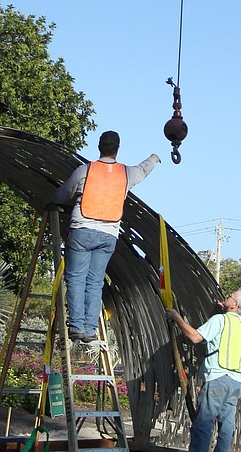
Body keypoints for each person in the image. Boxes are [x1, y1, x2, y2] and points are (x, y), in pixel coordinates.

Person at [50, 131, 160, 342]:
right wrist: (154, 158)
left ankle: (76, 326)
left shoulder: (85, 170)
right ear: (117, 149)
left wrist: (52, 202)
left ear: (99, 146)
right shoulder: (125, 174)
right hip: (108, 234)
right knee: (95, 281)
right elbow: (143, 169)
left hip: (82, 229)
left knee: (75, 279)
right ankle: (90, 330)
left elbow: (65, 193)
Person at [166, 287, 241, 452]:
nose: (227, 296)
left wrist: (177, 318)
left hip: (217, 379)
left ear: (235, 304)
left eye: (230, 296)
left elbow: (196, 337)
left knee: (203, 424)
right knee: (226, 426)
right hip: (235, 381)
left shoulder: (220, 320)